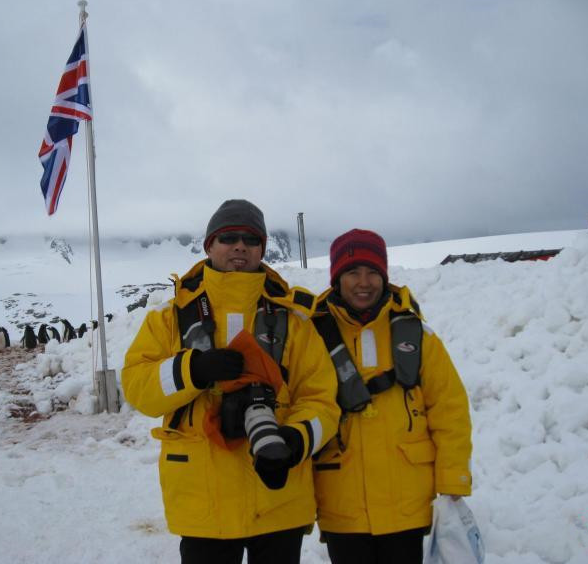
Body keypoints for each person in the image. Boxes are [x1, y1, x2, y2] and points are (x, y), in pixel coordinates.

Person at [122, 199, 340, 564]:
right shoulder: (170, 318)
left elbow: (322, 399)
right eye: (228, 237)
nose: (240, 246)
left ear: (262, 249)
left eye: (251, 239)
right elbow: (136, 387)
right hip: (203, 504)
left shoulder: (295, 320)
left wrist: (295, 439)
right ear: (209, 245)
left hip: (278, 496)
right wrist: (193, 371)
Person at [311, 229, 472, 564]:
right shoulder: (312, 337)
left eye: (372, 272)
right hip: (342, 502)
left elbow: (449, 410)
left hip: (407, 504)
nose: (363, 282)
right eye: (352, 272)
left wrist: (453, 477)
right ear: (336, 278)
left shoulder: (417, 334)